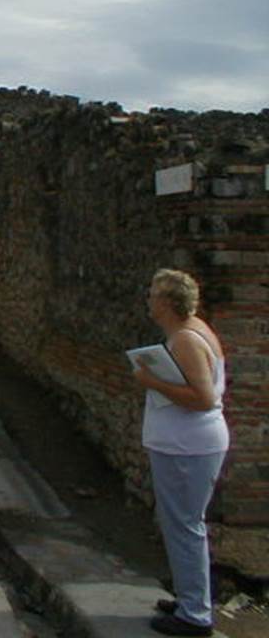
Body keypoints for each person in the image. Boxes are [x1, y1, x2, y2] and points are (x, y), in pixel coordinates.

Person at [134, 269, 229, 637]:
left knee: (185, 526)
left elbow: (203, 398)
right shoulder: (190, 330)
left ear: (167, 302)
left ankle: (195, 615)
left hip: (187, 446)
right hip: (186, 444)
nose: (148, 300)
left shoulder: (186, 339)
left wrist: (151, 381)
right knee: (182, 524)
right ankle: (191, 596)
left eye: (153, 295)